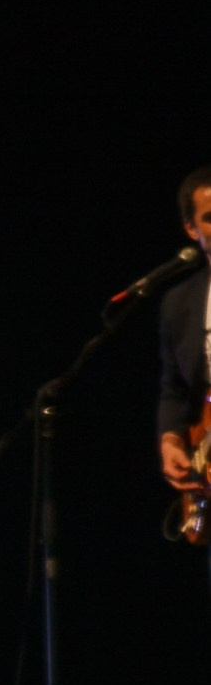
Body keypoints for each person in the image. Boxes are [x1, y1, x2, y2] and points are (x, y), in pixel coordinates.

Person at [156, 168, 211, 513]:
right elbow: (173, 388)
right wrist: (172, 440)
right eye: (210, 219)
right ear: (191, 229)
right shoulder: (179, 303)